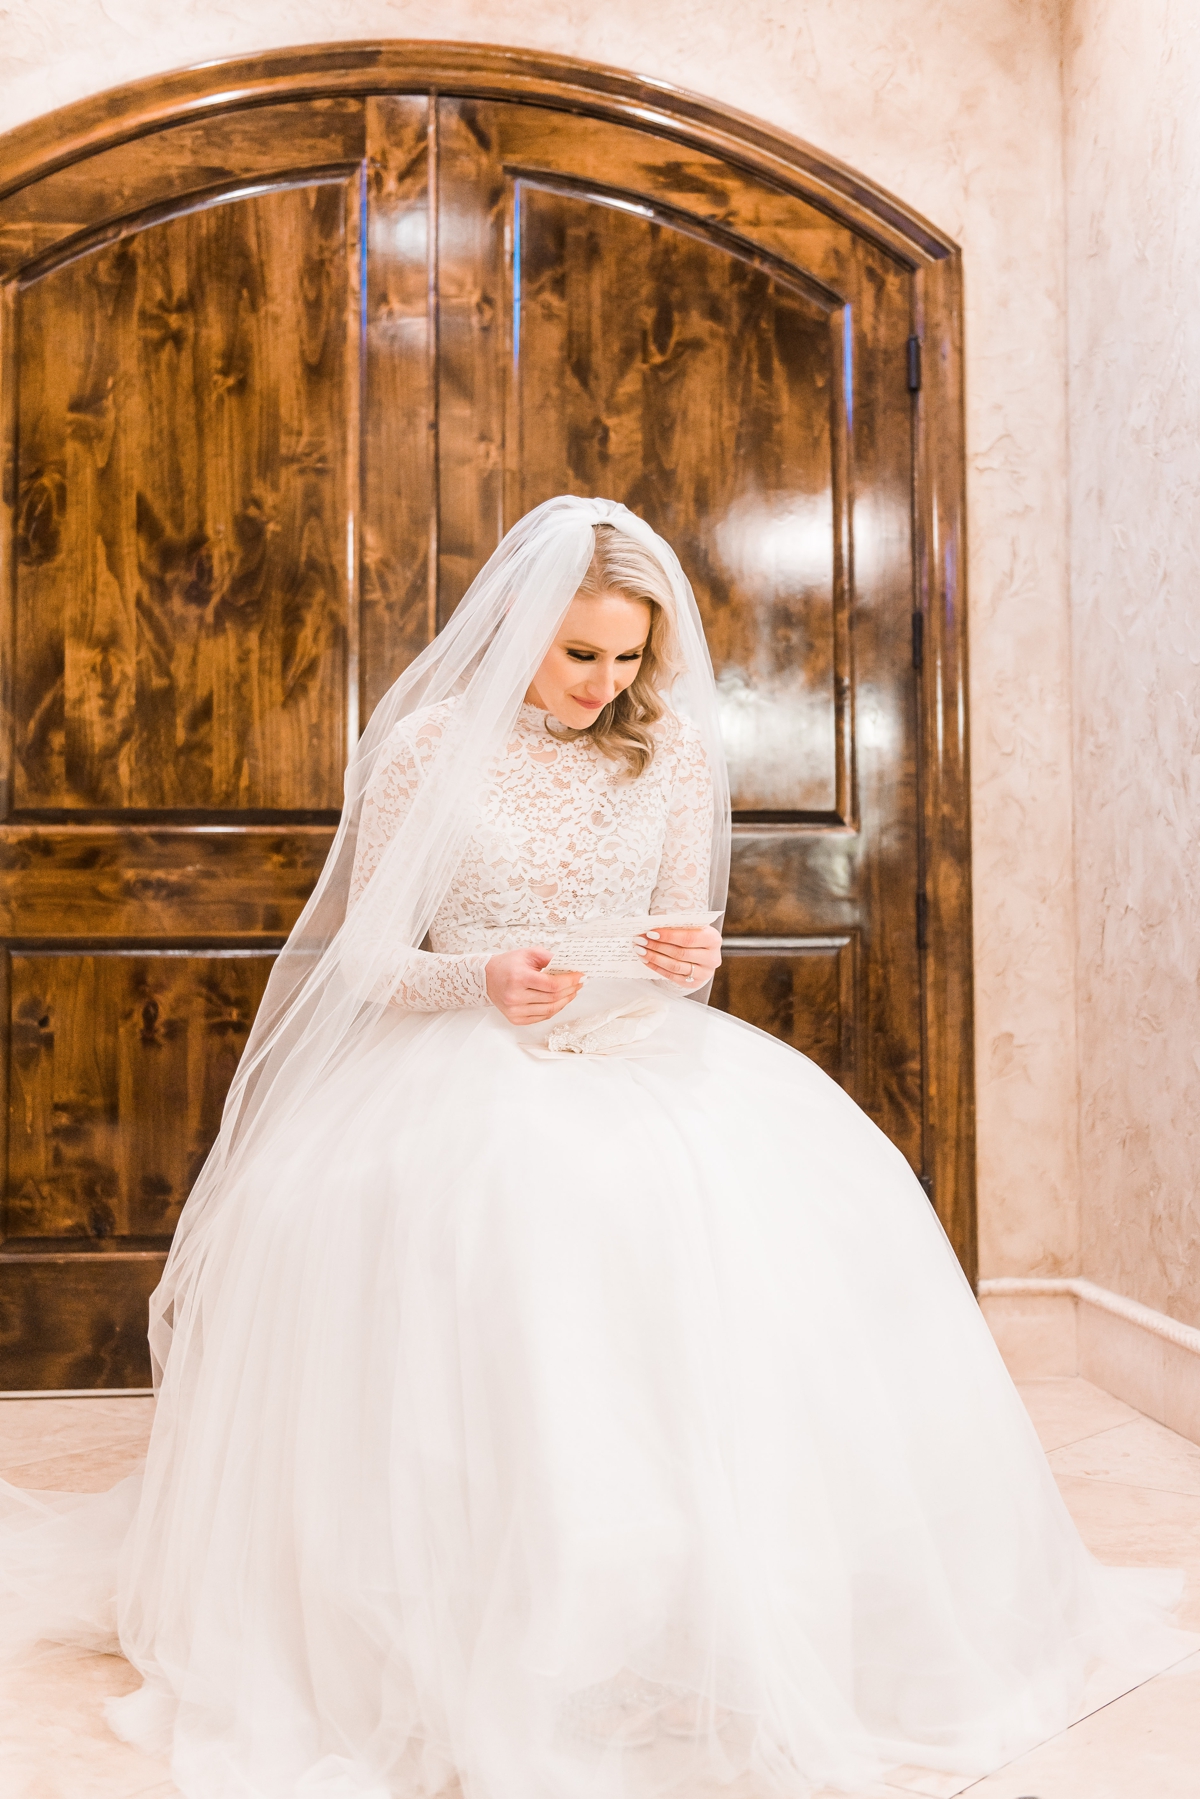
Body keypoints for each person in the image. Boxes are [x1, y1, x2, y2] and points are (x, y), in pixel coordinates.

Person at [0, 497, 1189, 1799]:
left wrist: (688, 954)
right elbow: (371, 957)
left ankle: (696, 1614)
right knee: (512, 1280)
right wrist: (481, 982)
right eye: (581, 657)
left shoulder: (668, 749)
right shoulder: (426, 750)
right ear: (517, 630)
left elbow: (676, 932)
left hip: (641, 1062)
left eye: (628, 658)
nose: (605, 684)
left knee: (731, 1290)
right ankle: (484, 1617)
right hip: (455, 1076)